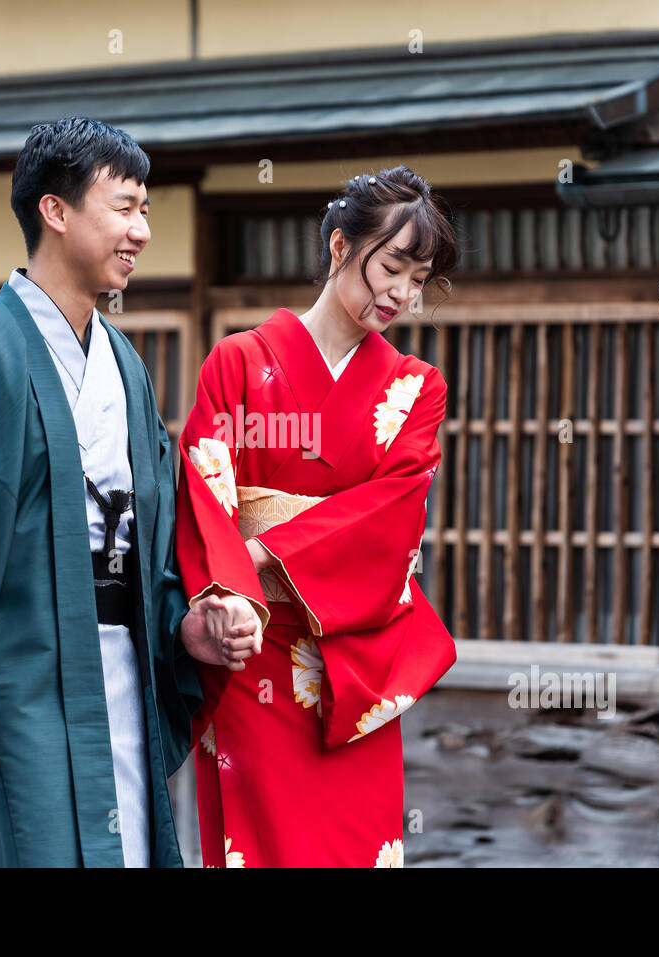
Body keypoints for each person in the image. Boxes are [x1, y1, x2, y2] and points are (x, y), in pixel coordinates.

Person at [0, 116, 261, 868]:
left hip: (124, 665)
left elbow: (156, 532)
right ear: (56, 210)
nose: (142, 230)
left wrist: (186, 626)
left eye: (147, 210)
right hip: (19, 672)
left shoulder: (124, 366)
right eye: (125, 206)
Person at [175, 166, 461, 867]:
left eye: (418, 279)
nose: (402, 293)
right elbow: (205, 488)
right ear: (339, 247)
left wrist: (267, 555)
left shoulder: (416, 388)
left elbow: (393, 510)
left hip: (351, 663)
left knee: (355, 847)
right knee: (259, 843)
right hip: (254, 646)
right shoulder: (237, 362)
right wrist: (229, 597)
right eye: (392, 266)